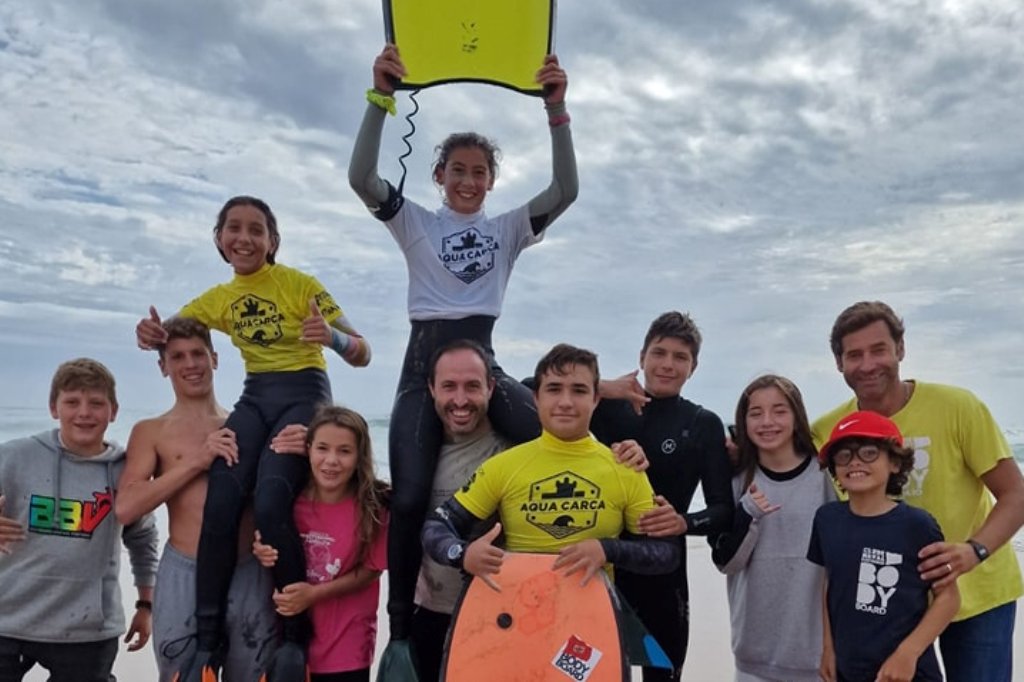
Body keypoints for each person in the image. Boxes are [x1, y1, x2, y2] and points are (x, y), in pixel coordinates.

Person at [348, 43, 579, 658]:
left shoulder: (506, 229)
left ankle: (556, 574)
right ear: (439, 176)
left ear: (492, 181)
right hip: (422, 371)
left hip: (484, 365)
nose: (470, 180)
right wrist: (381, 98)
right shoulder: (415, 222)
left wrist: (557, 109)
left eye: (480, 172)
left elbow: (566, 188)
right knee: (414, 492)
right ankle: (400, 634)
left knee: (552, 448)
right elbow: (361, 178)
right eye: (459, 170)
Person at [135, 195, 372, 682]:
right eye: (233, 229)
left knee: (268, 502)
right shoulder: (218, 300)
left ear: (272, 241)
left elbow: (362, 352)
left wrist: (331, 336)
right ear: (220, 240)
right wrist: (149, 333)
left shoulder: (299, 285)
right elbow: (171, 336)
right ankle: (207, 640)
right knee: (222, 498)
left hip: (305, 392)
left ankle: (292, 637)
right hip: (256, 396)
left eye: (256, 230)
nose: (244, 238)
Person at [812, 301, 1024, 681]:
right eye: (854, 355)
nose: (868, 364)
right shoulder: (831, 429)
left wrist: (972, 551)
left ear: (900, 349)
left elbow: (1016, 495)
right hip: (887, 608)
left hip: (976, 596)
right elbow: (776, 461)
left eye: (879, 349)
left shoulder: (958, 407)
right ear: (839, 363)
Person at [422, 344, 679, 621]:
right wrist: (463, 554)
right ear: (536, 398)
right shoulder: (503, 466)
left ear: (596, 399)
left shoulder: (625, 468)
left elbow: (665, 553)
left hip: (593, 624)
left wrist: (607, 549)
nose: (565, 402)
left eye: (579, 390)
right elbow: (437, 525)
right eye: (554, 389)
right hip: (517, 620)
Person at [115, 317, 278, 681]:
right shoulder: (151, 431)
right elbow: (126, 508)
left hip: (247, 569)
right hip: (184, 569)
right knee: (181, 675)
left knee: (253, 674)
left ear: (215, 359)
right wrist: (198, 460)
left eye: (197, 354)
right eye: (177, 357)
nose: (190, 365)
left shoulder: (247, 424)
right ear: (163, 367)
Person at [593, 311, 733, 681]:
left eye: (680, 357)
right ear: (642, 358)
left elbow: (722, 509)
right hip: (603, 568)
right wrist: (601, 387)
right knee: (594, 673)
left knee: (664, 675)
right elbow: (532, 389)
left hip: (664, 574)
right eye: (659, 353)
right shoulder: (606, 409)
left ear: (694, 367)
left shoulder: (702, 423)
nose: (668, 364)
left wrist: (683, 522)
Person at [0, 358, 159, 682]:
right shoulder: (13, 457)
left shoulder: (124, 471)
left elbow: (143, 539)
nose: (84, 413)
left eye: (96, 403)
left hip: (87, 630)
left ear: (113, 411)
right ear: (53, 408)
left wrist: (146, 605)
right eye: (72, 402)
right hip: (7, 619)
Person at [809, 410, 961, 682]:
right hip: (847, 669)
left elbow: (949, 598)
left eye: (868, 452)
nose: (854, 462)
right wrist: (828, 648)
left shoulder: (918, 525)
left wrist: (908, 653)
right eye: (843, 455)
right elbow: (829, 585)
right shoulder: (826, 519)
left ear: (894, 462)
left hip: (905, 673)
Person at [709, 375, 836, 682]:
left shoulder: (826, 476)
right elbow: (727, 563)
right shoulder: (737, 480)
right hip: (754, 658)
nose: (767, 422)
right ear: (744, 421)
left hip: (818, 657)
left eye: (780, 411)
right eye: (756, 413)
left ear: (797, 416)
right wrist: (747, 514)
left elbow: (840, 562)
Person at [254, 406, 389, 682]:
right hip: (292, 639)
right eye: (322, 448)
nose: (331, 461)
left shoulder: (374, 506)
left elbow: (371, 570)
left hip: (347, 643)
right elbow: (272, 542)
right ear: (309, 450)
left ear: (359, 456)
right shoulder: (291, 502)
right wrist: (260, 549)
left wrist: (314, 595)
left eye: (344, 451)